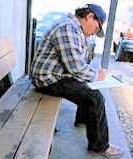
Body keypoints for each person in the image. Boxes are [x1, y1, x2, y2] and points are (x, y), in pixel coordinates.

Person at [30, 4, 124, 158]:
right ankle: (99, 146)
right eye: (96, 28)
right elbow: (76, 68)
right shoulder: (68, 28)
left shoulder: (75, 28)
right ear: (89, 17)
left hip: (55, 74)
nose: (94, 33)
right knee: (95, 98)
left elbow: (82, 61)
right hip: (47, 78)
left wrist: (96, 72)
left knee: (87, 88)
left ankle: (82, 120)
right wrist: (97, 76)